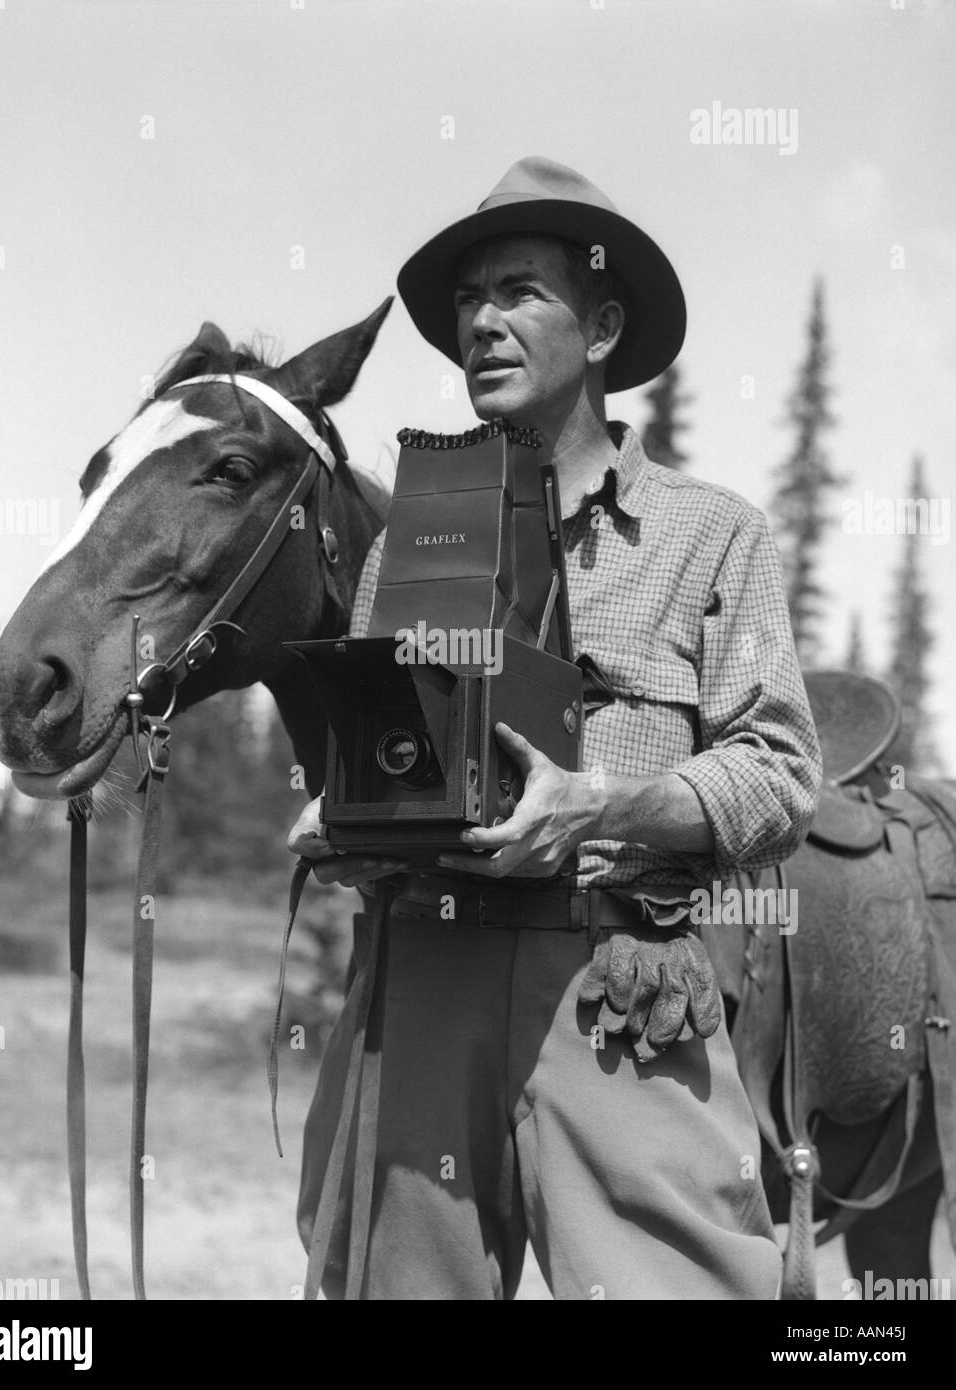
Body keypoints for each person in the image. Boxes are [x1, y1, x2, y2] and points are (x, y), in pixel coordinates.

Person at [287, 156, 822, 1300]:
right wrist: (343, 813)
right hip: (418, 974)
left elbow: (779, 777)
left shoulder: (708, 537)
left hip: (618, 989)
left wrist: (609, 807)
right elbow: (394, 751)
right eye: (469, 301)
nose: (481, 321)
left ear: (603, 324)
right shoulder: (405, 544)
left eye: (519, 291)